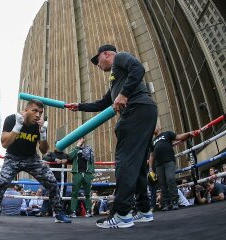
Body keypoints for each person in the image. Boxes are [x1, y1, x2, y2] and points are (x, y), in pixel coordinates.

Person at [67, 44, 158, 228]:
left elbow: (138, 68)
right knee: (138, 163)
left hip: (136, 109)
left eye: (97, 60)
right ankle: (144, 209)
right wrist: (80, 106)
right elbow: (102, 103)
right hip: (144, 110)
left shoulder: (121, 58)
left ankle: (122, 214)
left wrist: (124, 94)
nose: (97, 65)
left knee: (125, 160)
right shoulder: (116, 79)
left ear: (106, 54)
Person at [0, 99, 71, 223]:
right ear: (26, 110)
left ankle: (59, 213)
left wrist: (43, 134)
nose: (38, 115)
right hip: (12, 158)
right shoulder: (12, 119)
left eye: (40, 112)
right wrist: (17, 127)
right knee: (1, 183)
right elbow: (4, 143)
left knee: (52, 181)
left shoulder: (39, 125)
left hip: (31, 159)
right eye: (34, 111)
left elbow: (44, 150)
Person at [148, 125, 193, 211]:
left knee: (170, 180)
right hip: (158, 165)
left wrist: (188, 134)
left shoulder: (167, 134)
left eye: (155, 126)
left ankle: (175, 201)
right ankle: (166, 203)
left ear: (160, 127)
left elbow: (178, 137)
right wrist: (150, 169)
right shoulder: (152, 141)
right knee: (162, 184)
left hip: (169, 161)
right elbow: (151, 155)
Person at [68, 137, 95, 218]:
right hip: (77, 173)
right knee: (74, 193)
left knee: (88, 194)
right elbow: (70, 157)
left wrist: (91, 173)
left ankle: (89, 211)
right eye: (79, 139)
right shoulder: (75, 149)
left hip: (87, 174)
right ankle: (73, 211)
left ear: (84, 140)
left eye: (81, 139)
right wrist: (77, 146)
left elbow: (92, 161)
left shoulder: (89, 150)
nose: (80, 140)